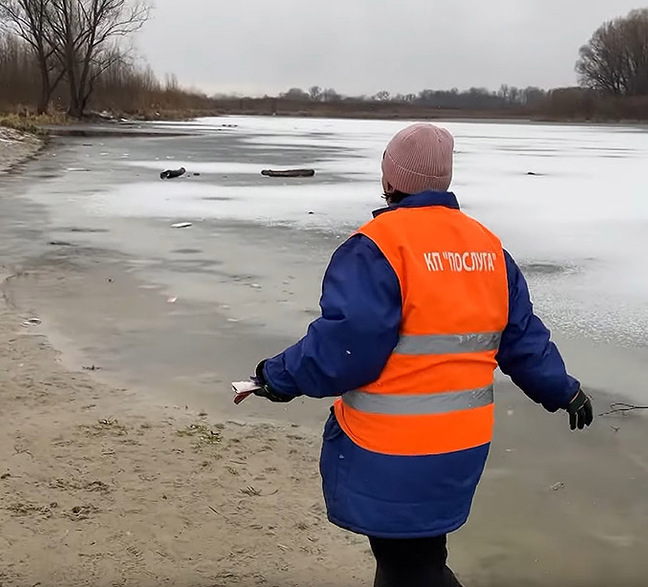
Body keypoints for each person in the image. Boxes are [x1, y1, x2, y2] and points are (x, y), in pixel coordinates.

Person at [250, 122, 594, 587]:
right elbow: (522, 339)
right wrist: (563, 389)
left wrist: (277, 377)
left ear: (390, 180)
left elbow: (345, 348)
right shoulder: (487, 248)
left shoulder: (378, 247)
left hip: (391, 448)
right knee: (412, 560)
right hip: (462, 446)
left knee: (410, 569)